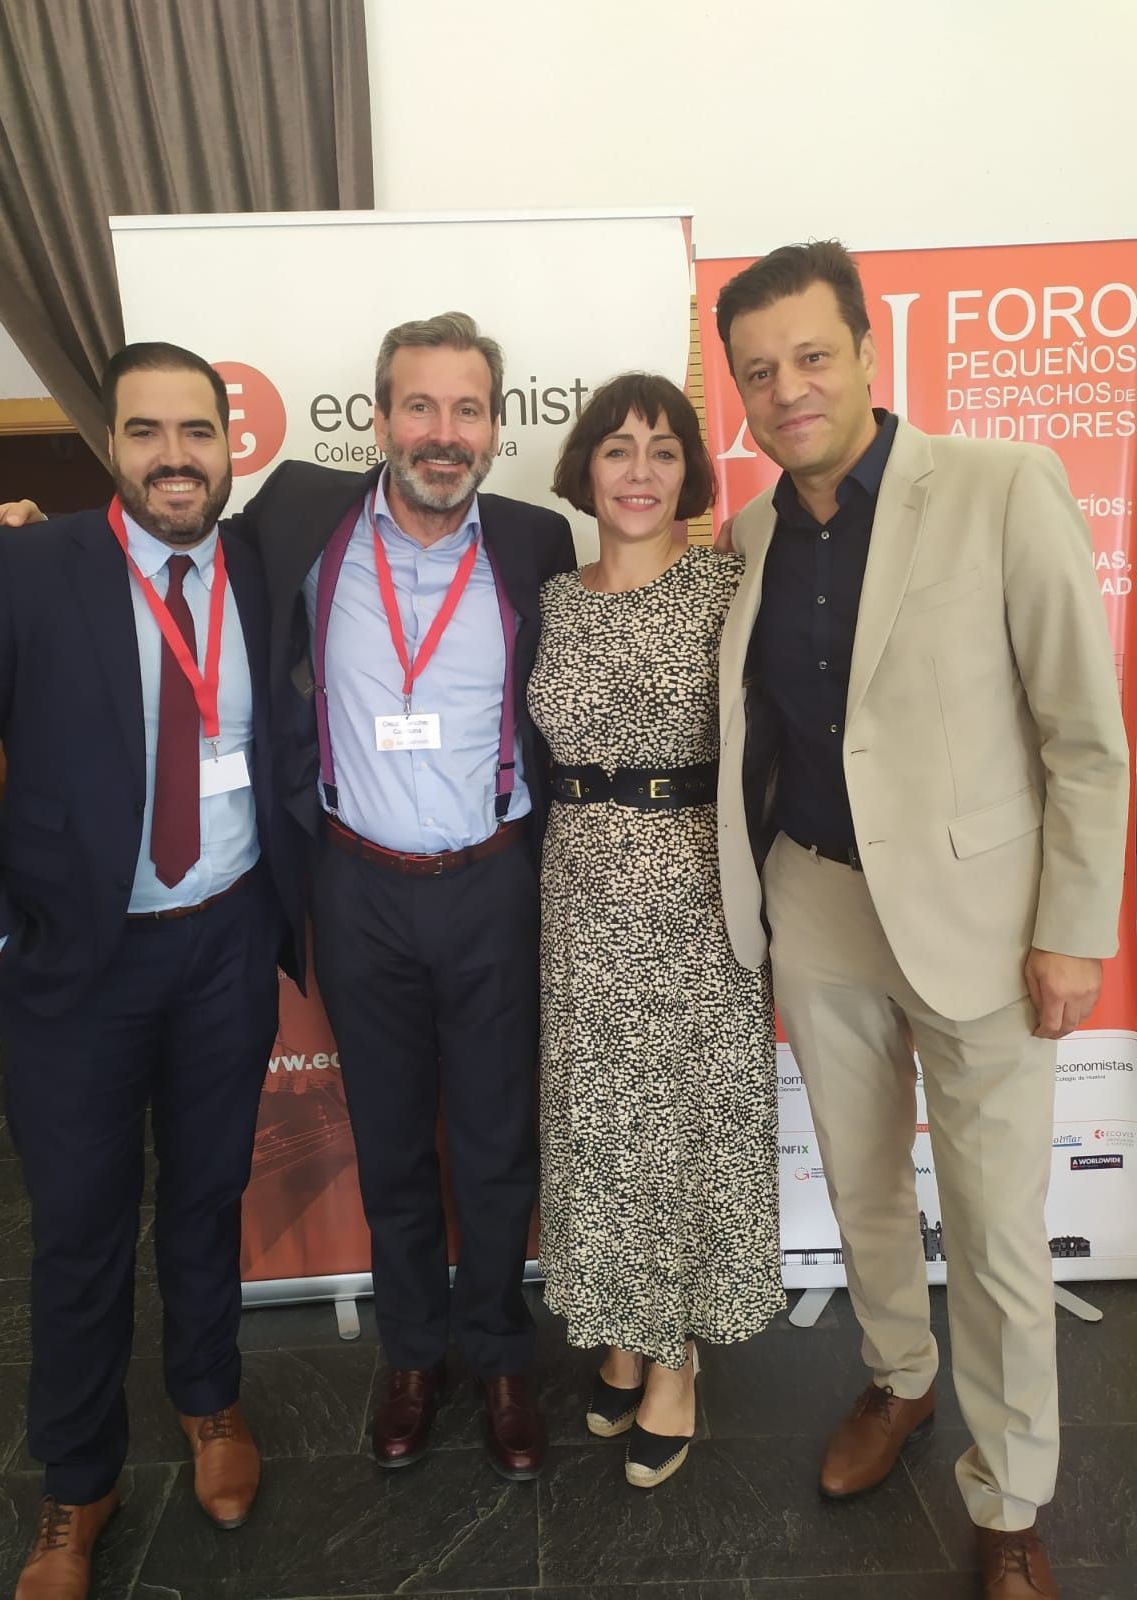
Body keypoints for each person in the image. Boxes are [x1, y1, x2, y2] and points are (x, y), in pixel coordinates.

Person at [0, 313, 577, 1481]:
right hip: (356, 889)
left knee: (496, 1144)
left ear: (497, 427)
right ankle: (411, 1354)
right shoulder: (300, 518)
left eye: (467, 410)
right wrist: (17, 526)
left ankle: (501, 1357)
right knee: (388, 1142)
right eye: (419, 406)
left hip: (492, 884)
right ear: (378, 420)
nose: (442, 433)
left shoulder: (536, 541)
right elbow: (143, 535)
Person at [713, 242, 1128, 1599]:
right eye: (759, 370)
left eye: (810, 356)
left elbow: (1084, 733)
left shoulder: (1001, 485)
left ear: (867, 350)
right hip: (817, 899)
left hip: (983, 921)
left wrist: (1073, 926)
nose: (788, 388)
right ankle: (898, 1377)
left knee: (1000, 1233)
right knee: (862, 1184)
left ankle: (1010, 1500)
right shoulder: (754, 535)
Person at [0, 343, 303, 1600]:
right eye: (145, 432)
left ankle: (209, 1400)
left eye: (197, 430)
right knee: (80, 1229)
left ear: (230, 445)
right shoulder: (28, 567)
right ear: (109, 445)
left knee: (207, 1195)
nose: (174, 456)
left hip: (225, 944)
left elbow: (421, 475)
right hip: (73, 964)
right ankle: (77, 1478)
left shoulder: (267, 555)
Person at [528, 372, 784, 1489]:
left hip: (693, 893)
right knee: (600, 1123)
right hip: (577, 891)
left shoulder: (732, 586)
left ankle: (676, 1355)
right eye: (618, 448)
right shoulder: (553, 597)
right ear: (585, 467)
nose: (640, 471)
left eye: (665, 449)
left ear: (691, 472)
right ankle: (624, 1329)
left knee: (679, 1126)